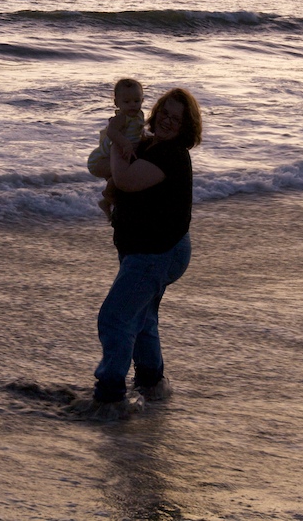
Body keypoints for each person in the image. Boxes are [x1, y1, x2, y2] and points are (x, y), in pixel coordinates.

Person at [69, 87, 202, 421]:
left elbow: (125, 180)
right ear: (154, 113)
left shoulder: (171, 154)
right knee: (141, 319)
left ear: (186, 126)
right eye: (164, 113)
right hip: (146, 250)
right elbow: (104, 169)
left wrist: (118, 142)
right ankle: (152, 384)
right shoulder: (147, 145)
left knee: (115, 317)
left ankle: (110, 398)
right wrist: (119, 139)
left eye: (177, 118)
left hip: (158, 252)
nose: (168, 122)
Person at [87, 79, 147, 218]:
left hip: (117, 157)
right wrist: (125, 143)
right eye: (126, 102)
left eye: (136, 101)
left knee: (121, 178)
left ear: (142, 100)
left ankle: (107, 203)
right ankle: (107, 197)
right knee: (123, 174)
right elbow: (111, 132)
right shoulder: (121, 118)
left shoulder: (139, 115)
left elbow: (138, 131)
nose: (132, 105)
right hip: (100, 160)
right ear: (117, 103)